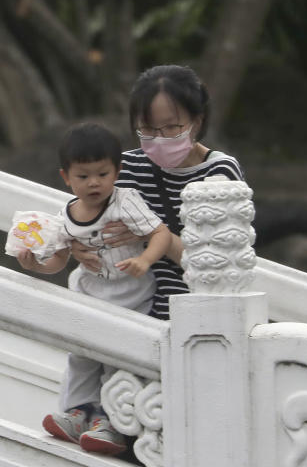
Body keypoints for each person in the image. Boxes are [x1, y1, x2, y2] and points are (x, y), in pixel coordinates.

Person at [16, 122, 172, 456]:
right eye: (83, 176)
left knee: (117, 364)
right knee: (82, 357)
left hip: (130, 300)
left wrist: (145, 260)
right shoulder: (67, 215)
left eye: (102, 174)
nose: (94, 183)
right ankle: (77, 414)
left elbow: (160, 233)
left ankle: (111, 424)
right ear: (66, 177)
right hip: (88, 298)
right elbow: (58, 260)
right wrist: (34, 265)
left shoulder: (125, 202)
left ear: (117, 171)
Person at [70, 65, 245, 321]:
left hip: (193, 318)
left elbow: (215, 263)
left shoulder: (219, 172)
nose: (159, 138)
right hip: (129, 313)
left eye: (172, 127)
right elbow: (84, 222)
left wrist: (151, 232)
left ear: (197, 121)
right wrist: (77, 247)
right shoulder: (123, 168)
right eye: (148, 129)